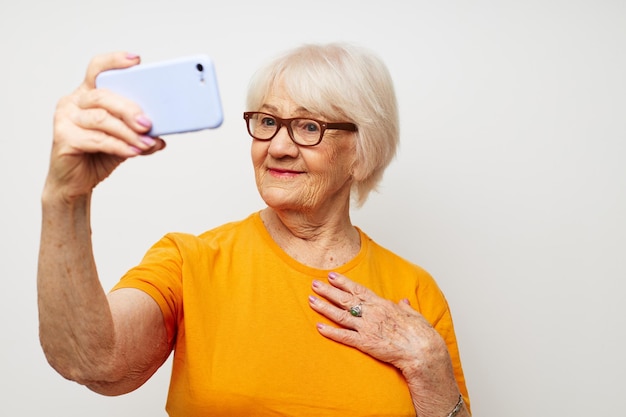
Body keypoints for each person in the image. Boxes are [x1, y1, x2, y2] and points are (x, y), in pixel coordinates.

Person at [38, 43, 471, 417]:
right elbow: (92, 361)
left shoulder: (414, 291)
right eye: (267, 121)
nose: (278, 147)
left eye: (308, 127)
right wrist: (65, 198)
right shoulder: (190, 260)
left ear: (362, 153)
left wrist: (429, 367)